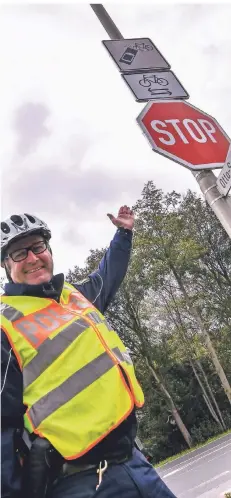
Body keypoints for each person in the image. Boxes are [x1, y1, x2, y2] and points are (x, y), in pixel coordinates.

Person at [1, 209, 177, 498]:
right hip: (78, 483)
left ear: (49, 249)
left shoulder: (75, 299)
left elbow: (108, 275)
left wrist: (123, 234)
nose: (32, 258)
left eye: (38, 247)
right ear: (6, 265)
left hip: (132, 461)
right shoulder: (5, 324)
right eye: (19, 253)